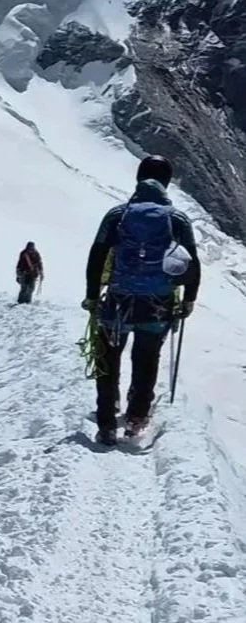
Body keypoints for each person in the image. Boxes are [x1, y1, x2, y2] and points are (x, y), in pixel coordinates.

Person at [85, 155, 200, 445]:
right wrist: (188, 300)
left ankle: (107, 423)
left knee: (108, 357)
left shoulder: (117, 215)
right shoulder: (177, 219)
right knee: (146, 359)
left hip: (118, 300)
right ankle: (136, 419)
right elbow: (192, 263)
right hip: (157, 303)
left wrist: (91, 296)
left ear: (139, 178)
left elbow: (97, 255)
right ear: (167, 182)